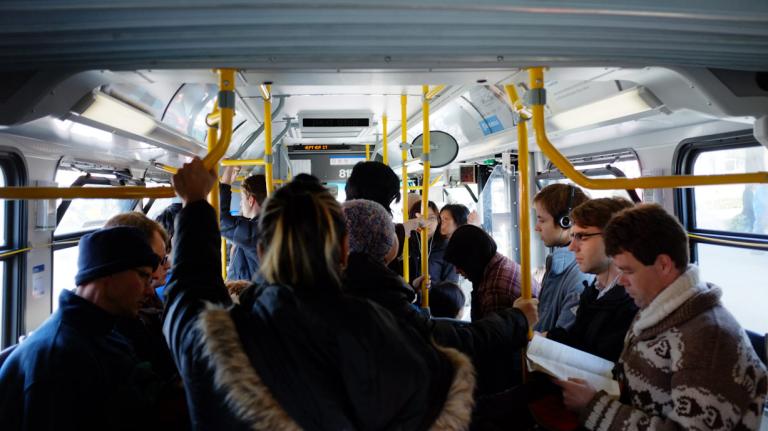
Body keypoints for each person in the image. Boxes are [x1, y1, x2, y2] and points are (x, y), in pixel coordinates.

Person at [163, 158, 477, 429]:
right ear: (343, 250)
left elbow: (188, 288)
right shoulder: (385, 331)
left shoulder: (219, 341)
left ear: (261, 250)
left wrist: (195, 203)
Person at [556, 204, 768, 430]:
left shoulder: (709, 341)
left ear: (664, 265)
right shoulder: (656, 309)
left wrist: (595, 406)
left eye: (628, 271)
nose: (622, 281)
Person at [342, 198, 538, 394]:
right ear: (382, 244)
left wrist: (410, 288)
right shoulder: (380, 294)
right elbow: (441, 339)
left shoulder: (353, 288)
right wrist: (517, 318)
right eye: (394, 231)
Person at [0, 227, 165, 430]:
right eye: (143, 277)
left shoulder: (106, 334)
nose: (150, 290)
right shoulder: (58, 358)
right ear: (109, 273)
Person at [546, 197, 638, 362]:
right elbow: (579, 341)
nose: (572, 247)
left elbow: (599, 362)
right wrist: (546, 338)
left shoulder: (631, 303)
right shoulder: (593, 291)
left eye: (582, 236)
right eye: (572, 236)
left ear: (614, 239)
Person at [444, 225, 537, 321]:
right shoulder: (499, 263)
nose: (456, 270)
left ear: (472, 260)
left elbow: (491, 334)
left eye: (460, 264)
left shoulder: (494, 290)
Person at [533, 183, 592, 333]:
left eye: (542, 220)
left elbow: (560, 339)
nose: (536, 227)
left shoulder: (580, 275)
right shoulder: (557, 265)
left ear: (566, 222)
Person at [219, 166, 266, 281]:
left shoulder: (257, 232)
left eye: (242, 199)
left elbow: (221, 220)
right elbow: (240, 221)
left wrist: (225, 182)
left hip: (246, 295)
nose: (240, 203)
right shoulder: (261, 225)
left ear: (250, 201)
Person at [406, 200, 459, 285]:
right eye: (420, 219)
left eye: (431, 218)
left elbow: (451, 285)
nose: (426, 223)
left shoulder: (447, 247)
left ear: (438, 221)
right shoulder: (405, 244)